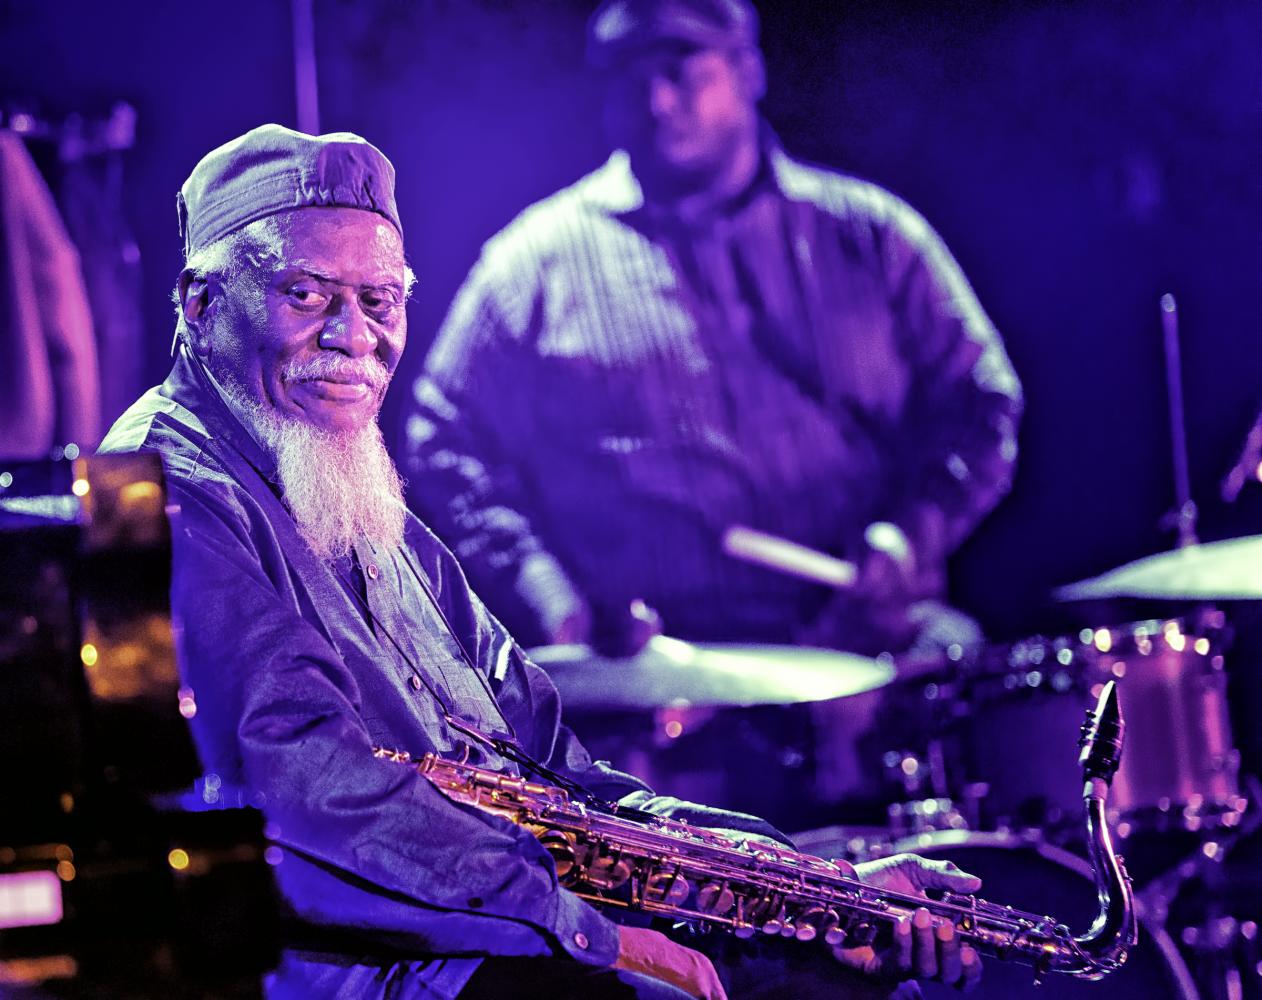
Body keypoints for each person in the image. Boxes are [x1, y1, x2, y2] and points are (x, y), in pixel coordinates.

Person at [99, 124, 982, 998]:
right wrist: (588, 937)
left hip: (480, 934)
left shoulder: (356, 500)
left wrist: (814, 892)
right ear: (200, 306)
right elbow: (301, 791)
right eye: (306, 294)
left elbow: (561, 779)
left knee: (836, 976)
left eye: (381, 301)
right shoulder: (169, 493)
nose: (354, 337)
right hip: (350, 971)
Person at [404, 0, 1023, 659]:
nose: (658, 101)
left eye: (680, 69)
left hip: (866, 642)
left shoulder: (871, 236)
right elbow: (443, 440)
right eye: (630, 76)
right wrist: (551, 602)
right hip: (659, 674)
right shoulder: (530, 267)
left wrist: (914, 531)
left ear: (748, 71)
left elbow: (982, 401)